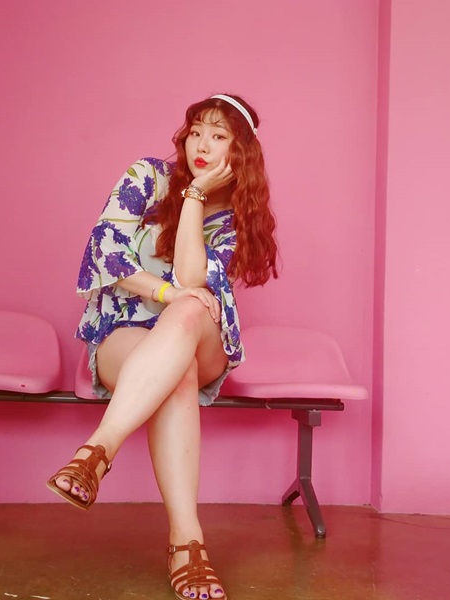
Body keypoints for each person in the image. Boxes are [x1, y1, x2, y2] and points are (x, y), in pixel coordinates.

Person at [46, 93, 278, 600]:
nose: (202, 145)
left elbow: (194, 280)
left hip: (201, 336)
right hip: (127, 331)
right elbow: (107, 254)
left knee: (189, 312)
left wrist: (194, 195)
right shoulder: (146, 177)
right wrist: (167, 294)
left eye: (218, 136)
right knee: (177, 372)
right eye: (196, 131)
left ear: (240, 151)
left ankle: (97, 451)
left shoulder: (237, 218)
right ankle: (186, 544)